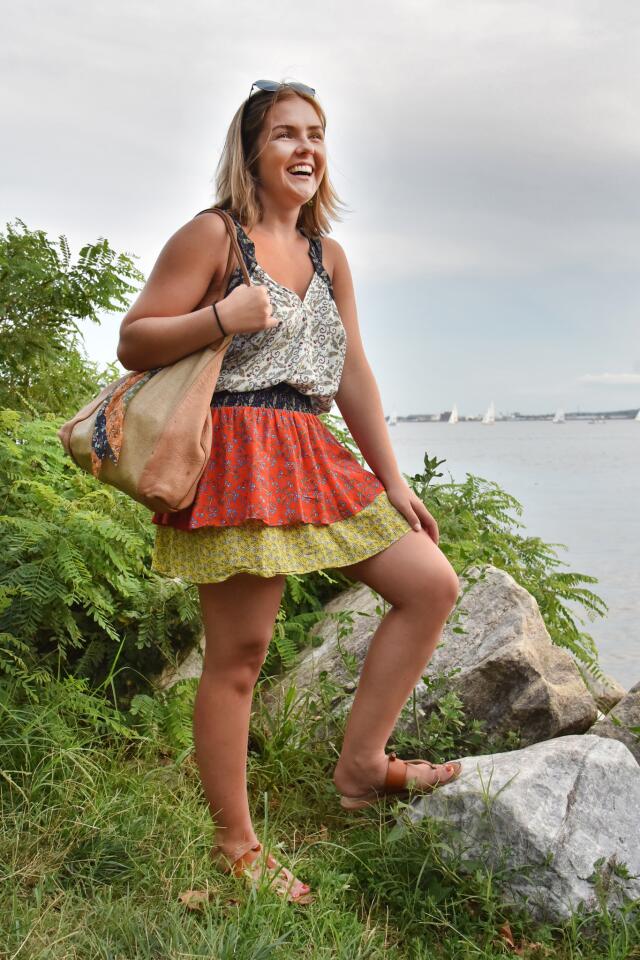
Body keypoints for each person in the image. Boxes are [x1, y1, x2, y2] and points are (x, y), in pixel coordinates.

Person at [117, 79, 462, 905]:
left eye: (316, 134)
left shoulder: (327, 254)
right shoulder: (213, 236)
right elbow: (135, 338)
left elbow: (351, 372)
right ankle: (236, 845)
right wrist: (221, 318)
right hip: (236, 448)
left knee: (430, 584)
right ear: (251, 152)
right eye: (285, 135)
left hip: (310, 446)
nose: (305, 149)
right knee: (239, 657)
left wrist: (393, 480)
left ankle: (361, 767)